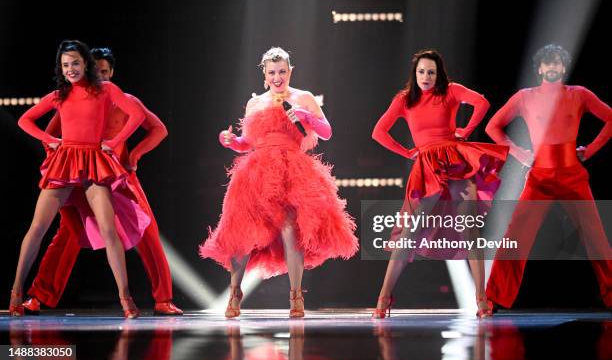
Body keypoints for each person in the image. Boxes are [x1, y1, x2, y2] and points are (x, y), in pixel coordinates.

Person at [21, 47, 183, 316]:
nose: (102, 78)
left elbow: (159, 129)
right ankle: (38, 295)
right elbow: (47, 135)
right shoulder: (73, 99)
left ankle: (163, 299)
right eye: (96, 72)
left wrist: (133, 154)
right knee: (68, 233)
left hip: (120, 177)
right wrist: (60, 160)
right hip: (82, 177)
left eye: (105, 72)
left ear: (112, 73)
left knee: (148, 232)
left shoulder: (124, 99)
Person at [199, 47, 358, 318]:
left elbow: (327, 132)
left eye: (282, 71)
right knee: (243, 230)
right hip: (257, 172)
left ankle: (296, 296)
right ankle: (234, 293)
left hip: (291, 170)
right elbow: (248, 142)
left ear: (290, 71)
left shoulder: (303, 97)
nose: (277, 77)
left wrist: (307, 117)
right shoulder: (255, 103)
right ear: (264, 74)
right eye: (272, 72)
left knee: (289, 229)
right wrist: (231, 141)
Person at [371, 49, 508, 318]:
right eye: (421, 71)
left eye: (431, 72)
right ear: (415, 73)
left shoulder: (452, 90)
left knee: (470, 227)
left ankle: (481, 297)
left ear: (439, 74)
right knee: (409, 232)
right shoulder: (404, 100)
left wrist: (465, 132)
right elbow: (378, 132)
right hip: (426, 166)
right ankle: (384, 297)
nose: (425, 76)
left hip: (455, 159)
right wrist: (407, 152)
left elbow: (482, 103)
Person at [485, 44, 612, 309]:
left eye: (557, 63)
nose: (552, 67)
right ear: (540, 68)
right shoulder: (525, 96)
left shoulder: (579, 94)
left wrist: (589, 151)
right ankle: (493, 298)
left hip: (573, 177)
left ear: (563, 67)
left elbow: (611, 118)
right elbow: (493, 127)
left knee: (596, 237)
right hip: (539, 177)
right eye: (547, 63)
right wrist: (520, 154)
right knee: (516, 235)